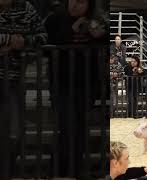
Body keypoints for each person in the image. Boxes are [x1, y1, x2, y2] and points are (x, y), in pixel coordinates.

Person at [45, 0, 106, 178]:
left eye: (81, 2)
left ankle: (75, 169)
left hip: (87, 82)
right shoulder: (55, 19)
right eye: (73, 0)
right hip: (61, 82)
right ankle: (58, 169)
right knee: (66, 125)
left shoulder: (97, 19)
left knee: (79, 127)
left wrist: (100, 35)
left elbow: (107, 39)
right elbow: (49, 42)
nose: (76, 5)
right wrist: (72, 29)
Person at [0, 0, 47, 179]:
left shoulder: (25, 7)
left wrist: (23, 42)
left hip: (13, 78)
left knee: (14, 131)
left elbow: (42, 36)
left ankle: (8, 172)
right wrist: (10, 40)